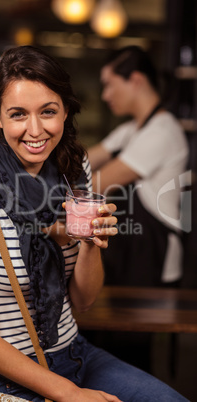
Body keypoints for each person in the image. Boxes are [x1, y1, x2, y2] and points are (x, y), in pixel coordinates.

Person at [0, 46, 189, 402]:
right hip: (10, 375)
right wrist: (68, 393)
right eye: (18, 114)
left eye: (48, 112)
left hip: (76, 354)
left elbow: (83, 301)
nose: (35, 130)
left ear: (65, 111)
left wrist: (90, 244)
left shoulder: (75, 174)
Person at [88, 45, 189, 287]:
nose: (105, 95)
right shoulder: (131, 129)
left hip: (154, 253)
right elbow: (83, 160)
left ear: (135, 80)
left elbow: (99, 183)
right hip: (131, 249)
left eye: (109, 84)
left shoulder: (162, 130)